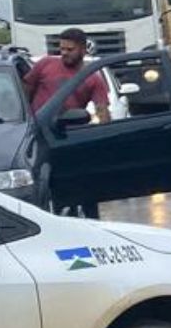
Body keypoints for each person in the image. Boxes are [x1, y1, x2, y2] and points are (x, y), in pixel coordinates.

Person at [23, 29, 111, 219]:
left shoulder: (93, 79)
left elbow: (102, 110)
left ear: (82, 50)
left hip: (69, 138)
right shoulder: (45, 65)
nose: (64, 52)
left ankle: (91, 223)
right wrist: (26, 118)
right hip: (37, 134)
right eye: (61, 48)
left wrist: (104, 136)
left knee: (84, 186)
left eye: (70, 49)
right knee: (41, 185)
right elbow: (25, 93)